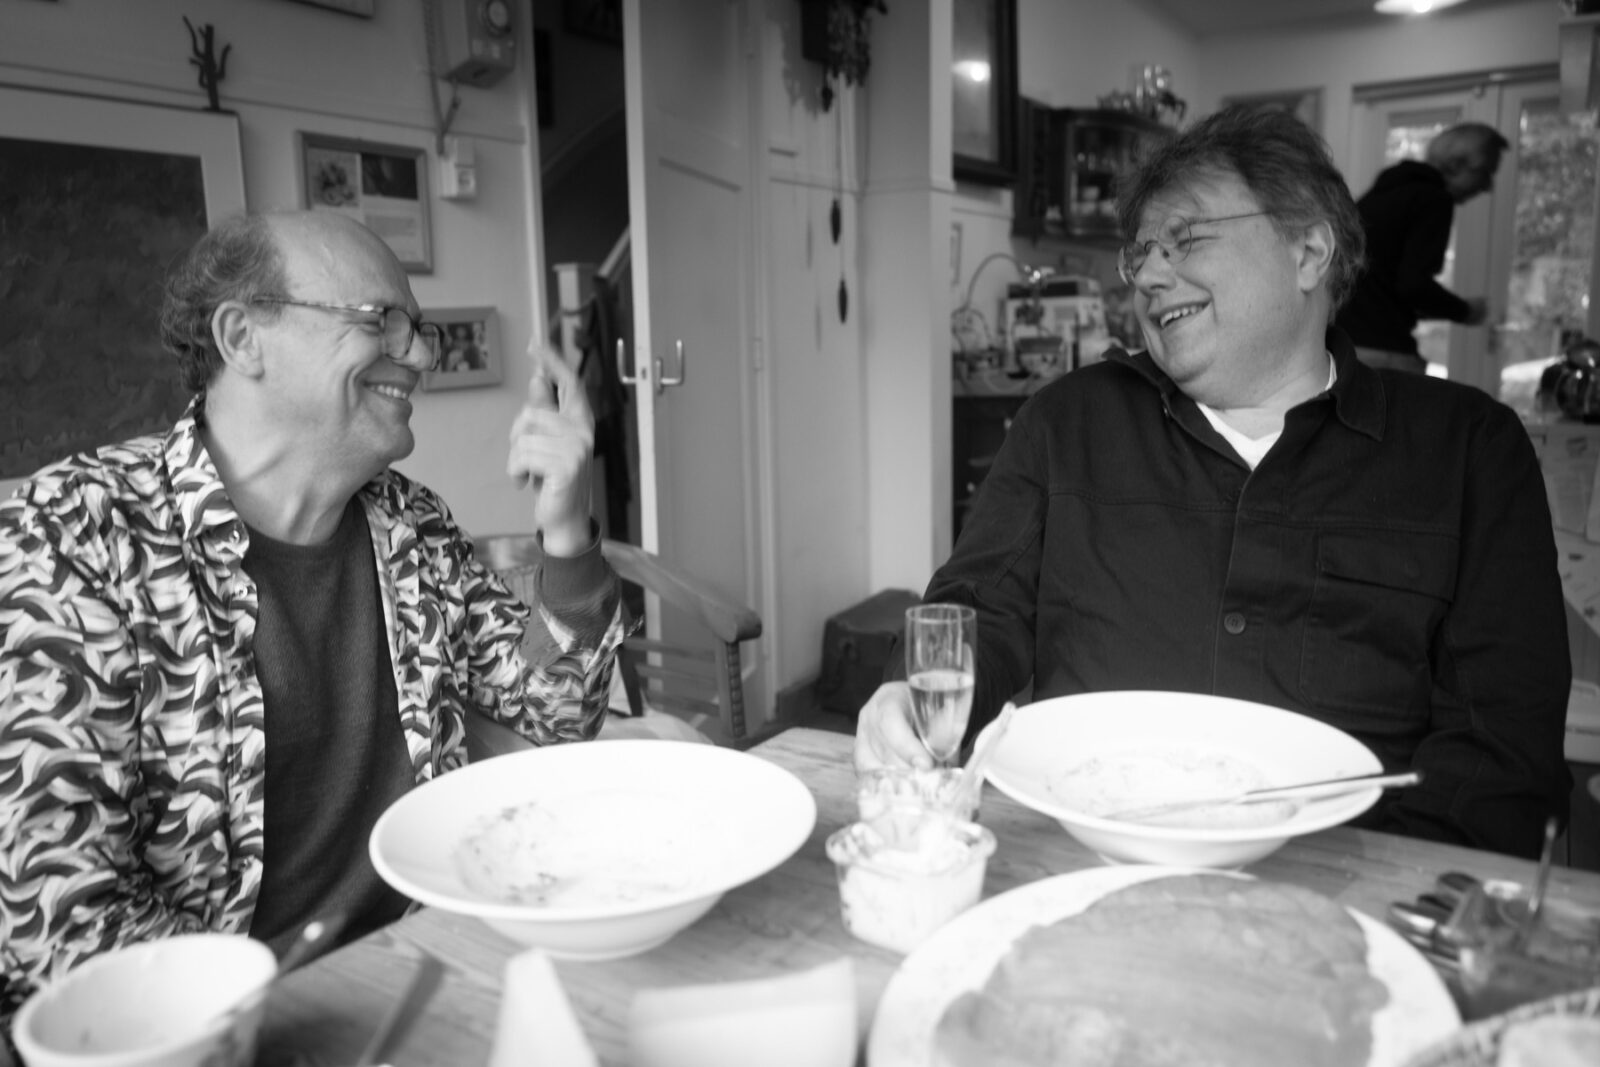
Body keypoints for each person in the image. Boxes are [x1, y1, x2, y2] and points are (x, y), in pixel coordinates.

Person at [855, 106, 1570, 860]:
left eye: (1187, 238)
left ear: (1308, 251)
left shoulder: (1468, 452)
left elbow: (1498, 750)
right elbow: (978, 612)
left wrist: (1392, 898)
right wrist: (914, 694)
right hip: (1086, 869)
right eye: (1139, 253)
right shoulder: (1068, 423)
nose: (1149, 275)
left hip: (1353, 886)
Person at [0, 211, 626, 1028]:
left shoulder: (413, 525)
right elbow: (57, 919)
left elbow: (554, 705)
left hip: (433, 966)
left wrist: (567, 530)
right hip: (229, 1030)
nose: (420, 354)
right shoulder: (72, 538)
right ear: (243, 338)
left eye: (419, 328)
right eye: (381, 320)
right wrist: (276, 1026)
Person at [1335, 122, 1509, 373]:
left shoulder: (1380, 194)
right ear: (1455, 164)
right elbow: (1413, 285)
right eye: (1484, 172)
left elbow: (1381, 282)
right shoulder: (1433, 199)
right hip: (1382, 351)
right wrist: (1466, 311)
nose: (1487, 186)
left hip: (1344, 345)